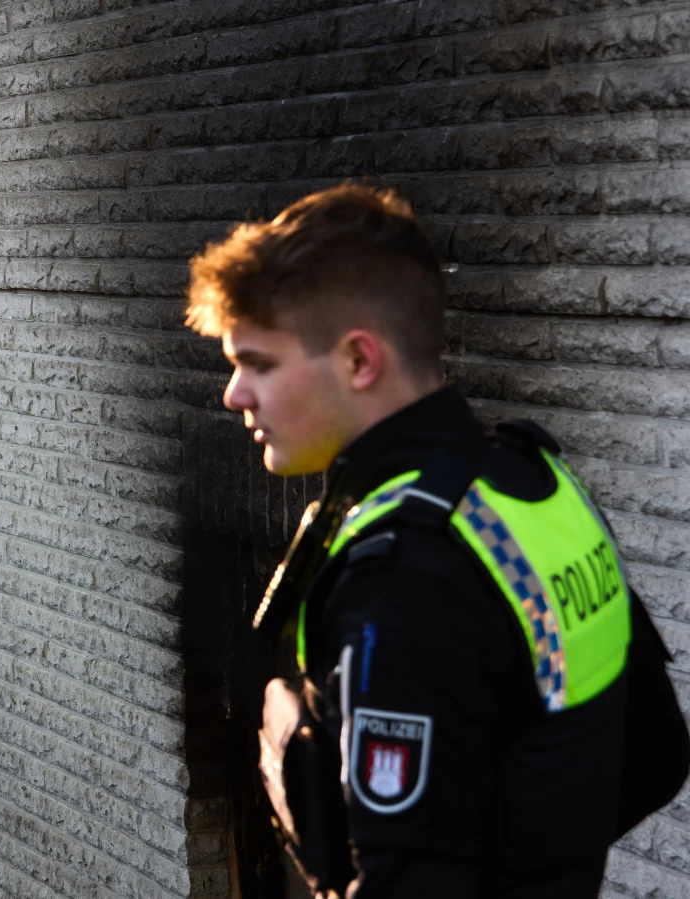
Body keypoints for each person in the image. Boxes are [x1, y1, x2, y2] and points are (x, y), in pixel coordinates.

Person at [187, 183, 689, 898]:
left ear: (360, 360)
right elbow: (657, 757)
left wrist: (294, 787)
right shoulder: (533, 482)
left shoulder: (404, 577)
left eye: (258, 363)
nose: (234, 394)